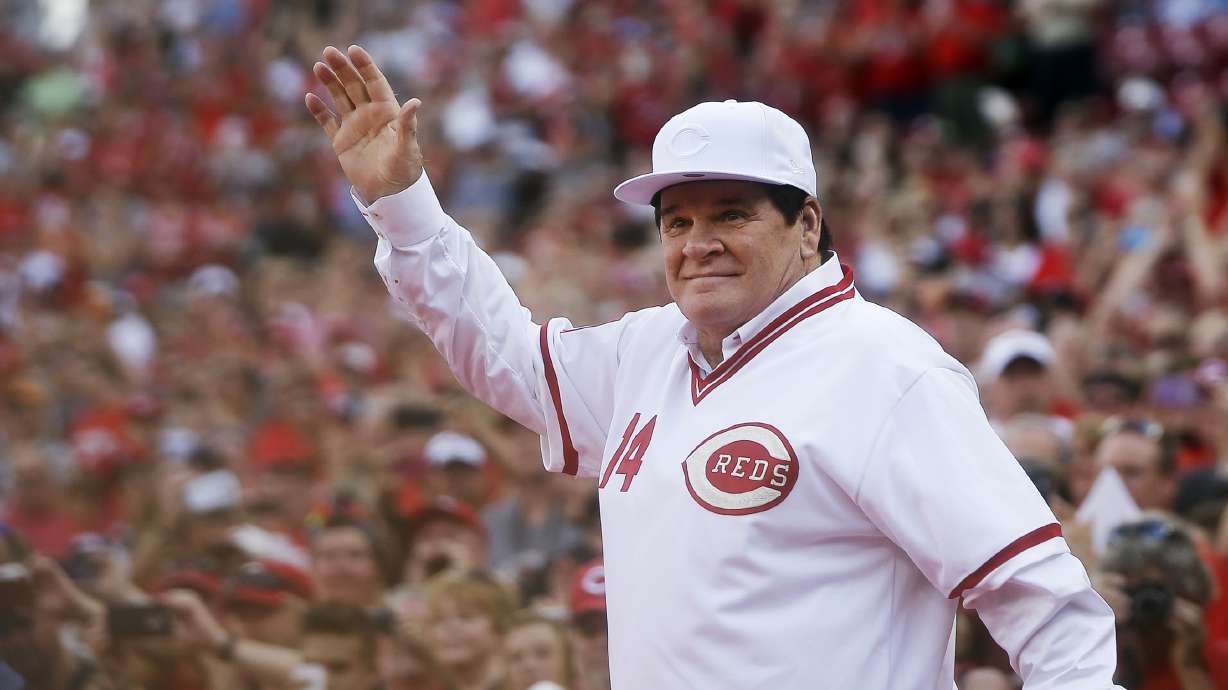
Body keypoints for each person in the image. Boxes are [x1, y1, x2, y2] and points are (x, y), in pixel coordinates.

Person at [305, 45, 1121, 688]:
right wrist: (407, 207)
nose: (699, 244)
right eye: (678, 220)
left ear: (807, 225)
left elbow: (1042, 599)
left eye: (732, 213)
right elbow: (505, 356)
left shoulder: (886, 367)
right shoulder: (645, 350)